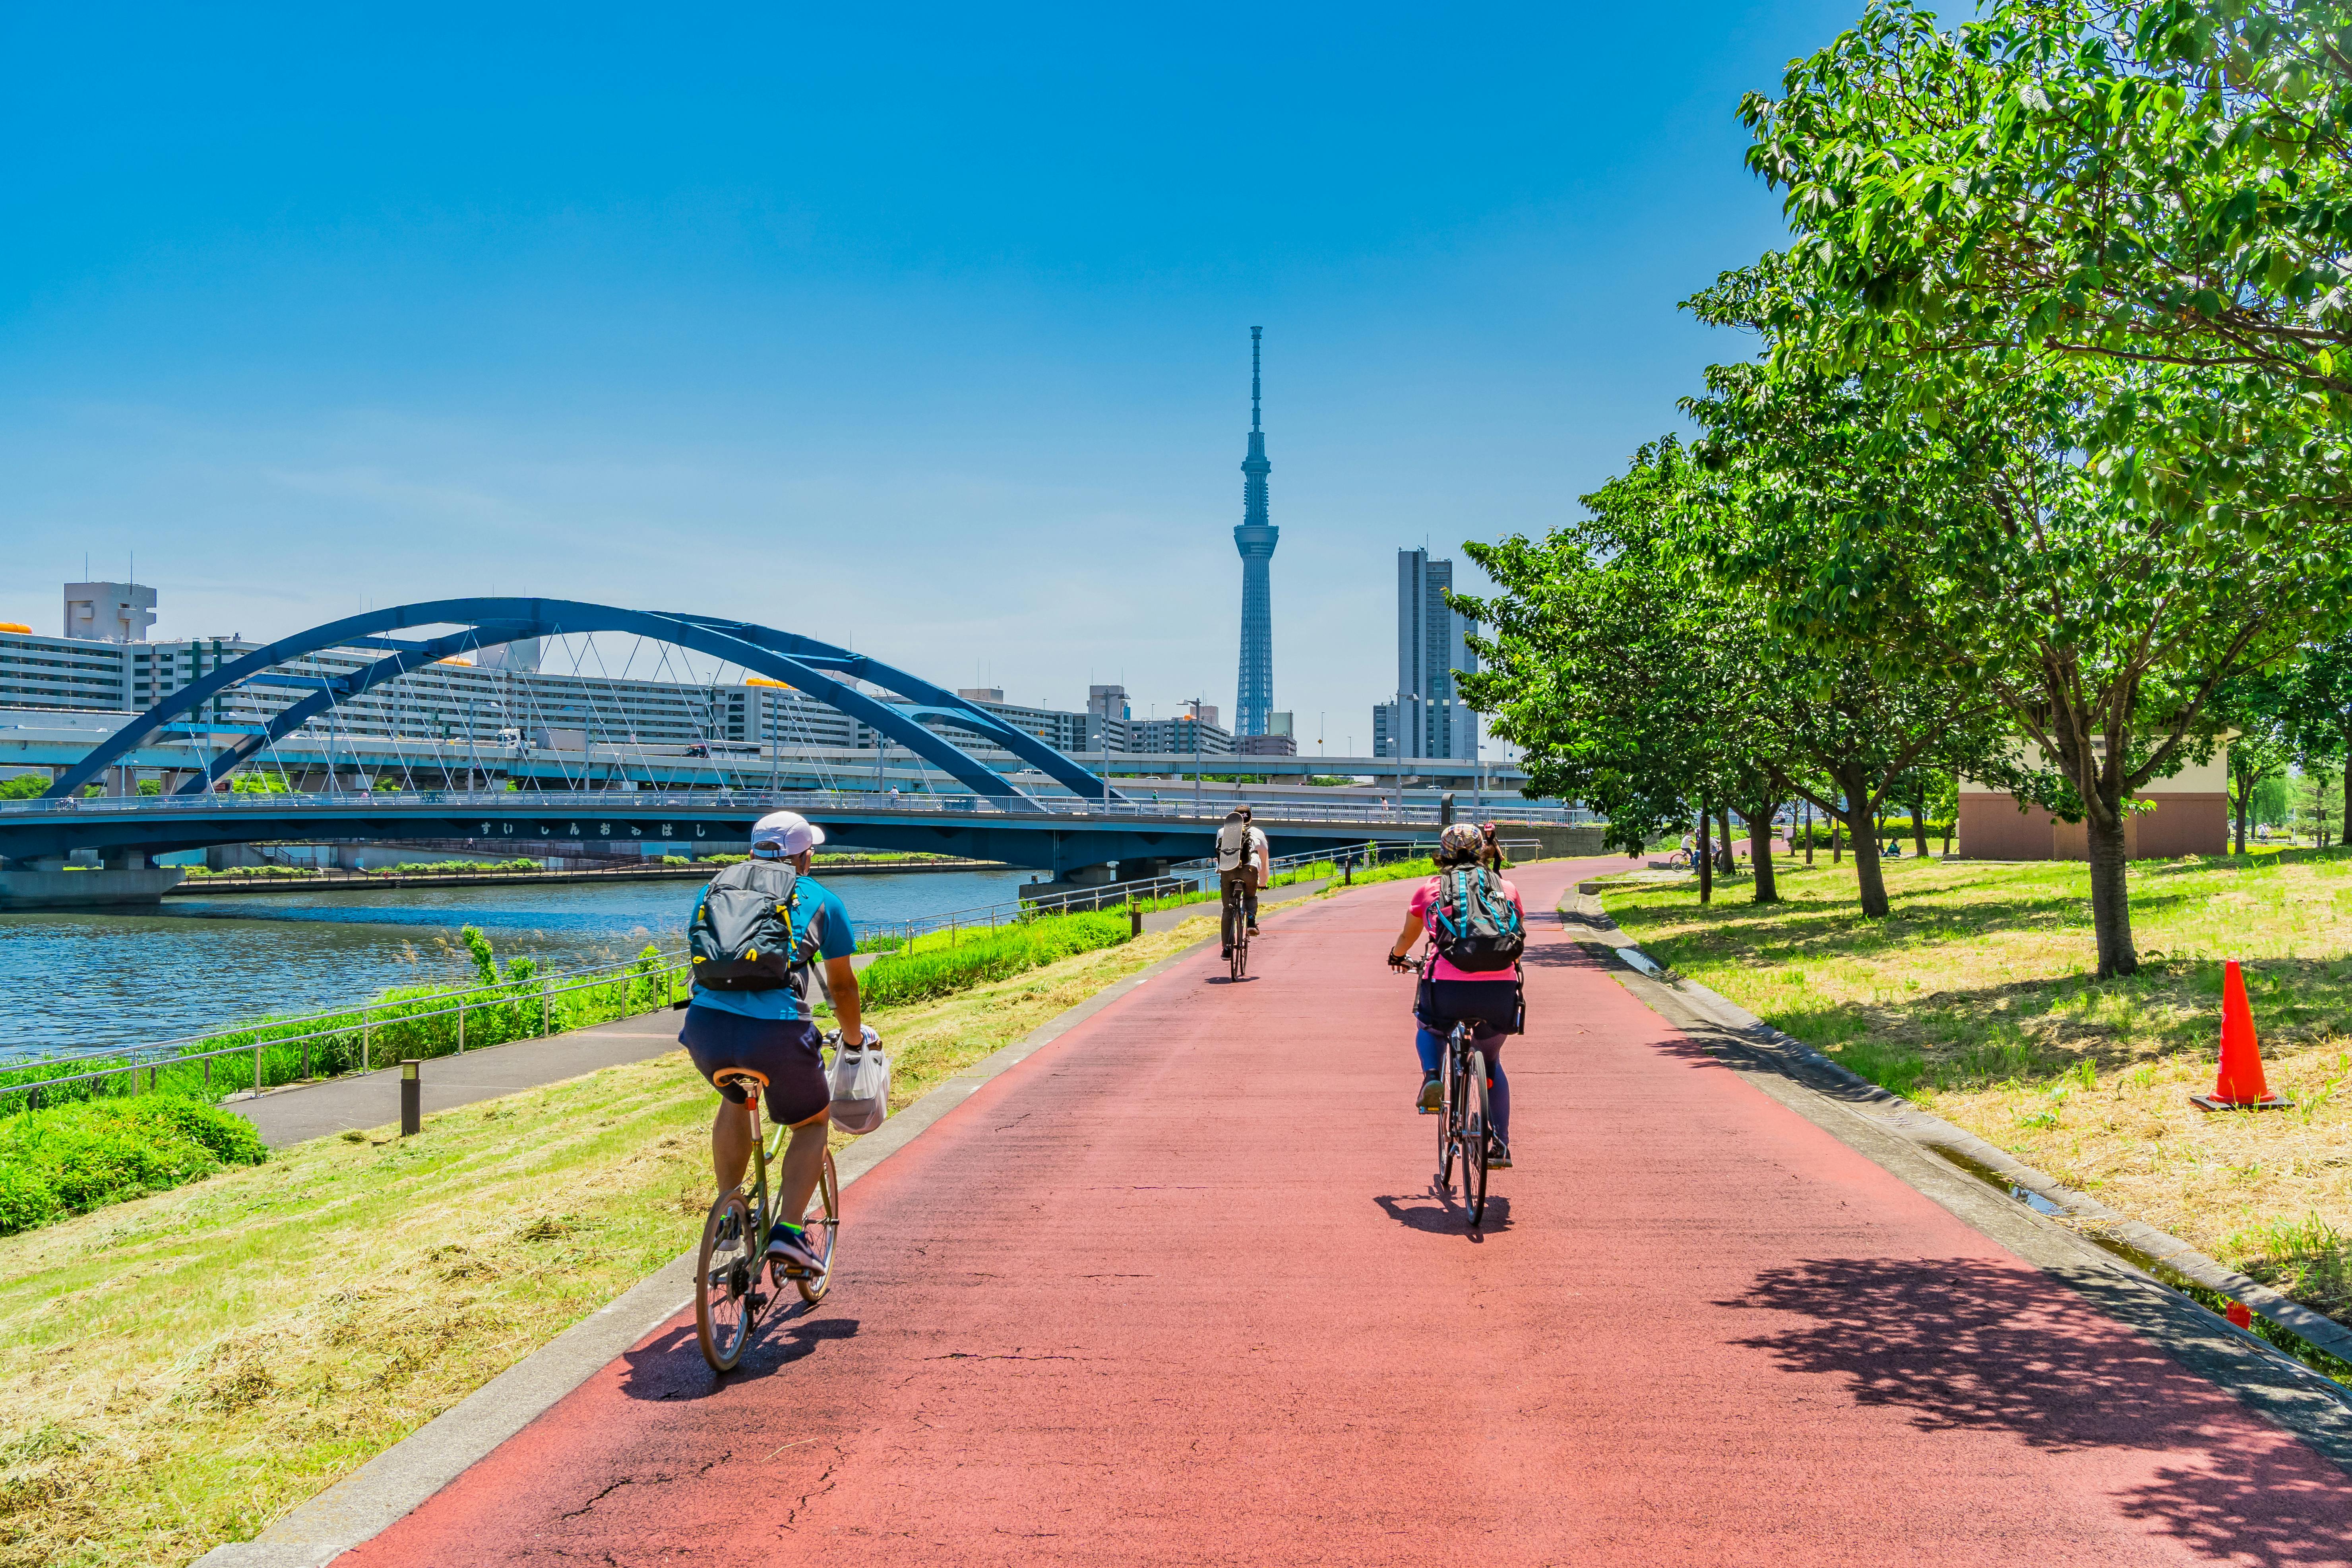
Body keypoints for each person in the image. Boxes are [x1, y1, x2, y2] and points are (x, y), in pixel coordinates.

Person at [676, 810, 871, 1273]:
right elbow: (842, 987)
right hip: (777, 1031)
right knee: (811, 1123)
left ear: (751, 852)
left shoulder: (713, 889)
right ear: (805, 856)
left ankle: (729, 1209)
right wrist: (853, 1039)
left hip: (706, 1028)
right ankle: (788, 1234)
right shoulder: (820, 898)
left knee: (737, 1095)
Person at [1385, 821, 1525, 1168]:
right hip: (1499, 990)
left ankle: (1433, 1077)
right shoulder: (1506, 888)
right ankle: (1501, 1145)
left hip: (1447, 987)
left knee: (1430, 1027)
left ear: (1442, 855)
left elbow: (1408, 938)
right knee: (1491, 1062)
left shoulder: (1429, 891)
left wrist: (1397, 956)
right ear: (1482, 852)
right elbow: (1517, 944)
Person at [1214, 805, 1270, 957]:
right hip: (1249, 870)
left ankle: (1226, 948)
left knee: (1227, 909)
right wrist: (1263, 881)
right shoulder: (1257, 833)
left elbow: (1220, 855)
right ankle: (1251, 922)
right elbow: (1264, 859)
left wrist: (1222, 871)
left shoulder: (1222, 831)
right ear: (1251, 819)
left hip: (1228, 871)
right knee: (1250, 897)